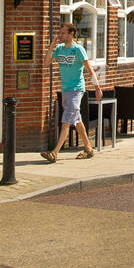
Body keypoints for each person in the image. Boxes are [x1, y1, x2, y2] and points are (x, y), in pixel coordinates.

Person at [42, 22, 103, 163]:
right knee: (77, 121)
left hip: (76, 89)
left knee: (66, 120)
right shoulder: (60, 49)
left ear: (71, 34)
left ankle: (54, 153)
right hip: (65, 89)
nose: (60, 35)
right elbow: (46, 63)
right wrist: (52, 45)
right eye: (60, 33)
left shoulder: (78, 50)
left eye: (63, 33)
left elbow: (89, 69)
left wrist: (97, 87)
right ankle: (88, 148)